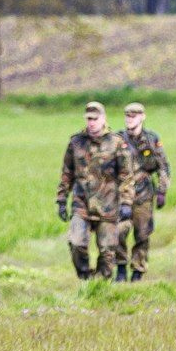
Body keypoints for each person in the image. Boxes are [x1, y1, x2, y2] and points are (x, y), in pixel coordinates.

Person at [55, 101, 133, 281]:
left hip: (108, 205)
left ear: (103, 119)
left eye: (95, 119)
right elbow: (67, 173)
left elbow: (126, 176)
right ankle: (85, 278)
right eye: (89, 119)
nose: (91, 123)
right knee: (76, 243)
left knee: (107, 251)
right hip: (81, 204)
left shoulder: (116, 143)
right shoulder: (76, 142)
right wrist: (61, 199)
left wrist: (127, 202)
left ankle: (100, 283)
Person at [118, 103, 169, 282]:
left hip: (144, 193)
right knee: (119, 231)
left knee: (142, 233)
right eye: (127, 116)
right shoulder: (117, 139)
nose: (129, 119)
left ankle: (138, 271)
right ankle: (121, 267)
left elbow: (163, 166)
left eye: (133, 116)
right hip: (122, 195)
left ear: (142, 117)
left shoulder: (151, 139)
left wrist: (162, 191)